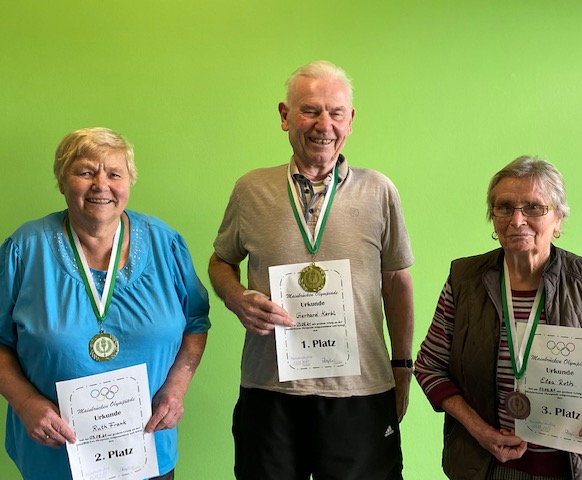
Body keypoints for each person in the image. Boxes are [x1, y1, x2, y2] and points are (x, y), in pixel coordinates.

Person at [209, 60, 414, 479]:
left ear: (350, 120)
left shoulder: (379, 190)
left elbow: (396, 282)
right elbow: (221, 261)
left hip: (360, 390)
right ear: (285, 116)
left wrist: (402, 367)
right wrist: (235, 298)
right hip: (270, 390)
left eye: (336, 112)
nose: (324, 124)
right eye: (310, 110)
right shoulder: (251, 189)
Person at [0, 127, 210, 480]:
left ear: (129, 182)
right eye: (85, 172)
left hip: (147, 451)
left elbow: (196, 323)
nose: (101, 184)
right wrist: (25, 403)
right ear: (62, 181)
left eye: (115, 173)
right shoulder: (24, 250)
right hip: (55, 457)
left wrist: (176, 390)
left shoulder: (166, 244)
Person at [414, 155, 582, 479]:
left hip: (577, 471)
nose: (517, 220)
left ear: (558, 218)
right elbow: (429, 365)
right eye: (504, 207)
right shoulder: (464, 281)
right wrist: (478, 429)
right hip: (488, 468)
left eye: (533, 207)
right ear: (493, 218)